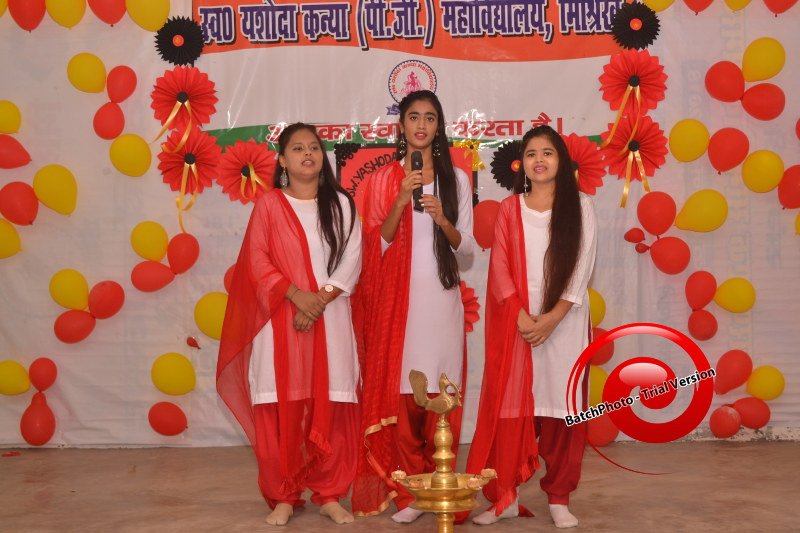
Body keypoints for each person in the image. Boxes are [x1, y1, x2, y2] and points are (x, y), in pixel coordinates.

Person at [216, 123, 362, 526]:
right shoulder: (269, 205)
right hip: (280, 317)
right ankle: (283, 494)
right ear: (282, 160)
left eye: (313, 147)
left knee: (333, 403)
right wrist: (298, 296)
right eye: (297, 148)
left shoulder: (342, 205)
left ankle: (330, 493)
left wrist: (319, 300)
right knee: (280, 406)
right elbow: (257, 260)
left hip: (330, 316)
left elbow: (352, 257)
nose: (307, 153)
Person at [351, 90, 476, 522]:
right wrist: (401, 200)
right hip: (397, 303)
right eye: (414, 117)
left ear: (439, 127)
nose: (421, 125)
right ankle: (409, 495)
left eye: (430, 118)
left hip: (440, 299)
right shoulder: (382, 180)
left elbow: (467, 251)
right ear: (401, 126)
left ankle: (441, 484)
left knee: (442, 392)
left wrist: (443, 220)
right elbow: (376, 246)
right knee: (406, 396)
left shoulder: (457, 180)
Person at [466, 125, 597, 528]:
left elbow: (582, 267)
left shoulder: (581, 206)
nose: (539, 160)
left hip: (565, 325)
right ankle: (504, 496)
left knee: (562, 413)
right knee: (511, 412)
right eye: (532, 153)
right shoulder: (510, 209)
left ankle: (559, 497)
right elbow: (500, 267)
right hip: (518, 327)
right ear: (522, 163)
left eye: (548, 153)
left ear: (561, 161)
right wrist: (521, 316)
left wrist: (553, 318)